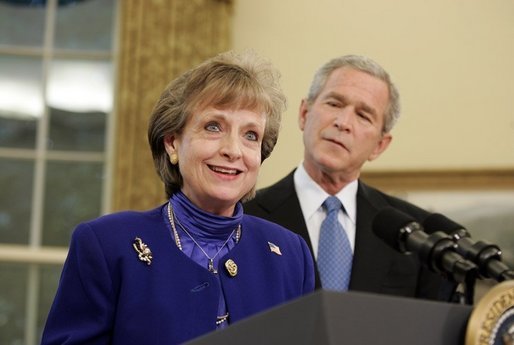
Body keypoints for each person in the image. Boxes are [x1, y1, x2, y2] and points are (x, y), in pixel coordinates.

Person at [41, 51, 315, 345]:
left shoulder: (291, 255)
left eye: (251, 135)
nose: (233, 150)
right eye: (214, 127)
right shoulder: (105, 245)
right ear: (172, 143)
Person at [244, 54, 454, 301]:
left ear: (380, 145)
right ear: (304, 113)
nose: (343, 122)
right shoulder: (244, 216)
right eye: (334, 104)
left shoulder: (417, 237)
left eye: (364, 115)